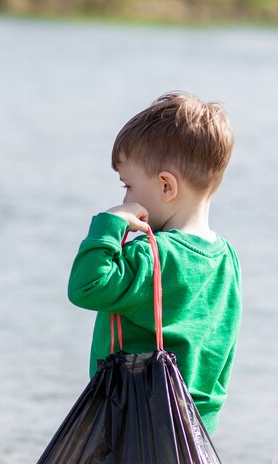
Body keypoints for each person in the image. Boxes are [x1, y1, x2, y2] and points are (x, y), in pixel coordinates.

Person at [68, 92, 241, 436]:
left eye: (129, 186)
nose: (125, 199)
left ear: (166, 186)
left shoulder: (151, 255)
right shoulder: (226, 257)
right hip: (194, 428)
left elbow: (86, 286)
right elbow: (223, 347)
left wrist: (110, 224)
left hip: (134, 420)